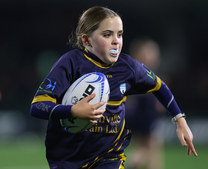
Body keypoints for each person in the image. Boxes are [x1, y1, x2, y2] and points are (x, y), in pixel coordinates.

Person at [30, 6, 197, 169]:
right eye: (107, 35)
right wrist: (73, 111)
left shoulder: (128, 67)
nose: (116, 41)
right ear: (86, 40)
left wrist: (180, 120)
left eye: (120, 34)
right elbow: (37, 106)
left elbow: (159, 86)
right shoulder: (71, 63)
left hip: (110, 156)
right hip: (67, 158)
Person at [125, 38, 165, 169]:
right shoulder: (141, 71)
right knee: (152, 145)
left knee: (149, 145)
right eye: (151, 52)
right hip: (143, 110)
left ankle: (134, 163)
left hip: (138, 110)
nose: (154, 56)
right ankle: (133, 164)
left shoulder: (132, 70)